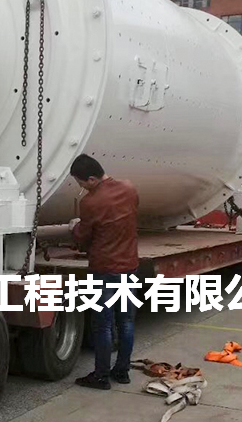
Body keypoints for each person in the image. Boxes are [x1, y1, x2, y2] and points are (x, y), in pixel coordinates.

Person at [68, 154, 139, 390]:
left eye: (80, 183)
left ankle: (100, 376)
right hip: (129, 266)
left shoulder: (90, 202)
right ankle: (122, 371)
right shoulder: (129, 188)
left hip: (103, 269)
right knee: (126, 322)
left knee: (103, 325)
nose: (81, 187)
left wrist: (74, 227)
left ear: (91, 179)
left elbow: (83, 236)